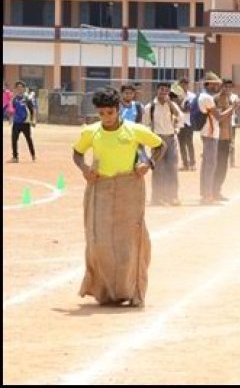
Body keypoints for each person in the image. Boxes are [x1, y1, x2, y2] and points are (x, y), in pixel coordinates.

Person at [72, 86, 165, 307]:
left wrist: (149, 163)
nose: (106, 118)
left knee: (131, 243)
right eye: (101, 113)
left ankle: (134, 291)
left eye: (110, 113)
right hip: (100, 188)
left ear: (118, 110)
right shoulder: (91, 132)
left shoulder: (135, 130)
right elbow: (77, 153)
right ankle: (104, 291)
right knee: (99, 242)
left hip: (129, 188)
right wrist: (85, 169)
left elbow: (161, 146)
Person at [142, 82, 183, 206]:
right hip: (157, 140)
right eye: (161, 90)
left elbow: (179, 117)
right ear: (157, 90)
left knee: (172, 168)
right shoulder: (150, 107)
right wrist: (152, 139)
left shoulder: (172, 105)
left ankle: (172, 196)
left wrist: (170, 103)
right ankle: (157, 197)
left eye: (166, 90)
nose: (164, 92)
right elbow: (146, 124)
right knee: (158, 169)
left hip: (171, 138)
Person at [199, 72, 232, 204]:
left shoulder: (220, 97)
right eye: (220, 85)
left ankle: (211, 192)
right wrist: (233, 108)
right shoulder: (212, 98)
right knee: (211, 166)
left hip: (219, 135)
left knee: (215, 165)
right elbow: (219, 117)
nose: (223, 88)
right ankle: (209, 194)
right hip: (213, 135)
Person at [8, 81, 36, 163]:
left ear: (24, 89)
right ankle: (15, 157)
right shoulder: (14, 99)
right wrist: (11, 118)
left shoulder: (27, 99)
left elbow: (32, 110)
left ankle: (33, 155)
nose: (20, 89)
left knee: (28, 139)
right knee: (14, 139)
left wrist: (33, 120)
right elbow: (12, 110)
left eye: (21, 87)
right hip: (17, 122)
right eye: (18, 87)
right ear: (16, 89)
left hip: (25, 123)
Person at [177, 78, 197, 171]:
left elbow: (191, 108)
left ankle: (192, 163)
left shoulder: (192, 96)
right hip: (180, 122)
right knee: (181, 144)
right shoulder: (176, 96)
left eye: (185, 84)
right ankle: (185, 164)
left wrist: (184, 108)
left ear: (188, 85)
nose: (183, 86)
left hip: (189, 121)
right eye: (181, 84)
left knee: (189, 142)